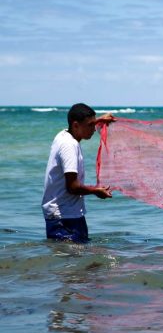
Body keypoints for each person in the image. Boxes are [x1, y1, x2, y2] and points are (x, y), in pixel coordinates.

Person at [42, 103, 116, 243]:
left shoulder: (63, 135)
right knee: (71, 254)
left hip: (64, 213)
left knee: (75, 255)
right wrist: (96, 191)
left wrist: (99, 120)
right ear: (76, 125)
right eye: (90, 125)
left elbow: (81, 123)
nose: (94, 129)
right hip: (64, 217)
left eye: (94, 124)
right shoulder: (69, 146)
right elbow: (73, 187)